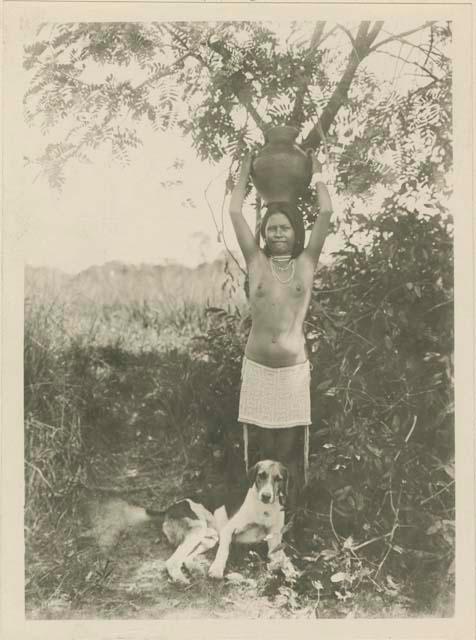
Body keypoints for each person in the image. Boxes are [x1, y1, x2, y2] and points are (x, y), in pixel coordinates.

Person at [228, 152, 333, 511]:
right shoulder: (256, 262)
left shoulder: (306, 264)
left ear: (295, 232)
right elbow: (234, 212)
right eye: (271, 228)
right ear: (264, 233)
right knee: (258, 449)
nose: (277, 234)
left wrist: (318, 171)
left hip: (291, 372)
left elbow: (326, 214)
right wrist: (244, 168)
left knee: (289, 451)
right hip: (258, 368)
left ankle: (289, 522)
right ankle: (252, 519)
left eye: (284, 228)